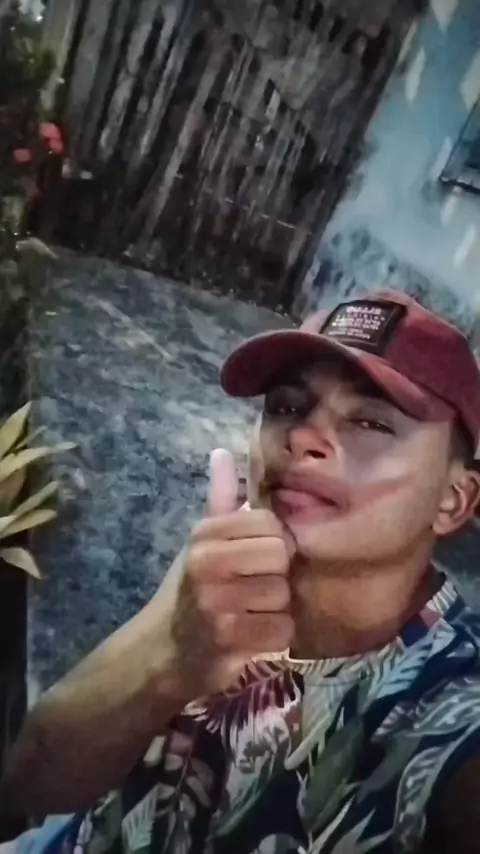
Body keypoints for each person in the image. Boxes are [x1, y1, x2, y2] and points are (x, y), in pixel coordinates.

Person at [3, 289, 480, 854]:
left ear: (454, 499)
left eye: (371, 422)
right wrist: (172, 653)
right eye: (287, 406)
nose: (302, 437)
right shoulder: (230, 563)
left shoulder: (450, 714)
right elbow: (32, 781)